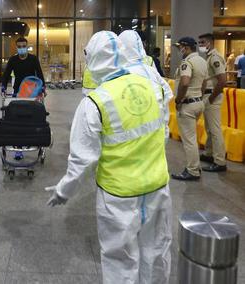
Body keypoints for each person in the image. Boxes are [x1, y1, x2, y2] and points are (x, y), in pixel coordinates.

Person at [46, 31, 172, 284]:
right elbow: (164, 132)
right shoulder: (152, 86)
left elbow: (83, 158)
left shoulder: (95, 102)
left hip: (119, 194)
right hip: (158, 186)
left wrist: (64, 190)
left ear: (92, 60)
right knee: (156, 251)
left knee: (120, 259)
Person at [118, 30, 173, 142]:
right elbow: (165, 95)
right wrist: (165, 134)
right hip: (150, 111)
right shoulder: (149, 67)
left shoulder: (116, 68)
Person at [171, 37, 208, 180]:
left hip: (187, 104)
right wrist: (199, 96)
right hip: (198, 102)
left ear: (186, 48)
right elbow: (204, 83)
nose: (179, 50)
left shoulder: (187, 63)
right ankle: (195, 165)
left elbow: (185, 83)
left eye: (180, 47)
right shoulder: (202, 61)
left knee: (189, 140)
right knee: (193, 138)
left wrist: (179, 99)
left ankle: (192, 171)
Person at [198, 33, 227, 172]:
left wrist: (210, 98)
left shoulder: (215, 58)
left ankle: (220, 161)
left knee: (215, 130)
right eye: (199, 43)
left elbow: (222, 80)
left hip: (212, 96)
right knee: (209, 128)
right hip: (209, 96)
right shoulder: (208, 57)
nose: (200, 45)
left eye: (202, 42)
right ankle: (210, 154)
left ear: (210, 43)